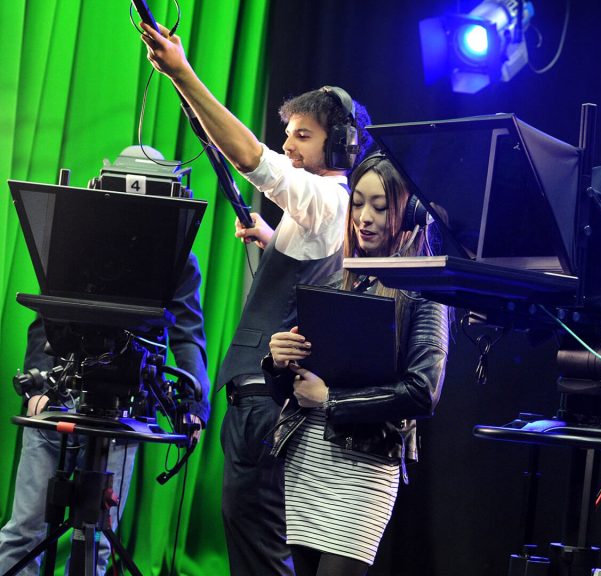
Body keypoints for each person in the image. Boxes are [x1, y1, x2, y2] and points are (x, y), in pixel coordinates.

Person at [140, 22, 374, 576]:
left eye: (303, 136)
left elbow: (250, 158)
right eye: (288, 133)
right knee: (252, 548)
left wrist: (183, 72)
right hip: (258, 404)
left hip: (266, 408)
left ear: (340, 146)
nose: (289, 146)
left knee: (259, 555)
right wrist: (273, 242)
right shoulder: (316, 213)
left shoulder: (324, 196)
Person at [0, 193, 208, 576]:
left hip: (124, 413)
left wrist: (193, 408)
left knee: (94, 540)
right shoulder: (77, 239)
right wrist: (38, 389)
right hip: (59, 402)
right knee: (24, 532)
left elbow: (187, 336)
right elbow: (45, 319)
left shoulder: (177, 261)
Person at [265, 154, 449, 576]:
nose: (365, 217)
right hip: (307, 459)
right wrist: (278, 363)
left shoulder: (425, 294)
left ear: (407, 213)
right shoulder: (335, 279)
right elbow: (292, 391)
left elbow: (423, 392)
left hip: (365, 464)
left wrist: (331, 400)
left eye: (380, 207)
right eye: (359, 204)